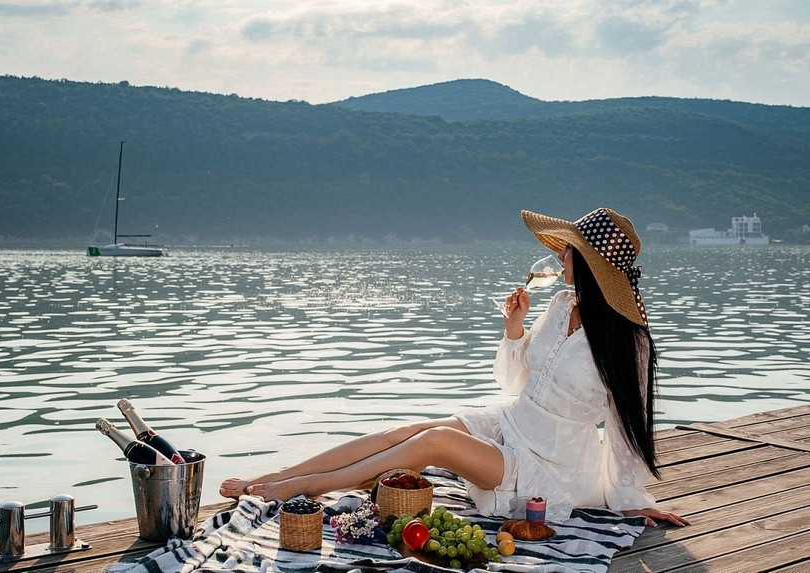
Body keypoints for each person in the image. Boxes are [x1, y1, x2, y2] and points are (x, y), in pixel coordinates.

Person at [220, 207, 689, 528]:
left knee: (434, 444)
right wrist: (514, 329)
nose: (560, 255)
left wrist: (631, 502)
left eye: (569, 249)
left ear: (589, 262)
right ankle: (280, 475)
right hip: (512, 420)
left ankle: (302, 488)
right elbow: (518, 379)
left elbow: (629, 428)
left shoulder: (629, 343)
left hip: (555, 464)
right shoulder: (562, 303)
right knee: (407, 432)